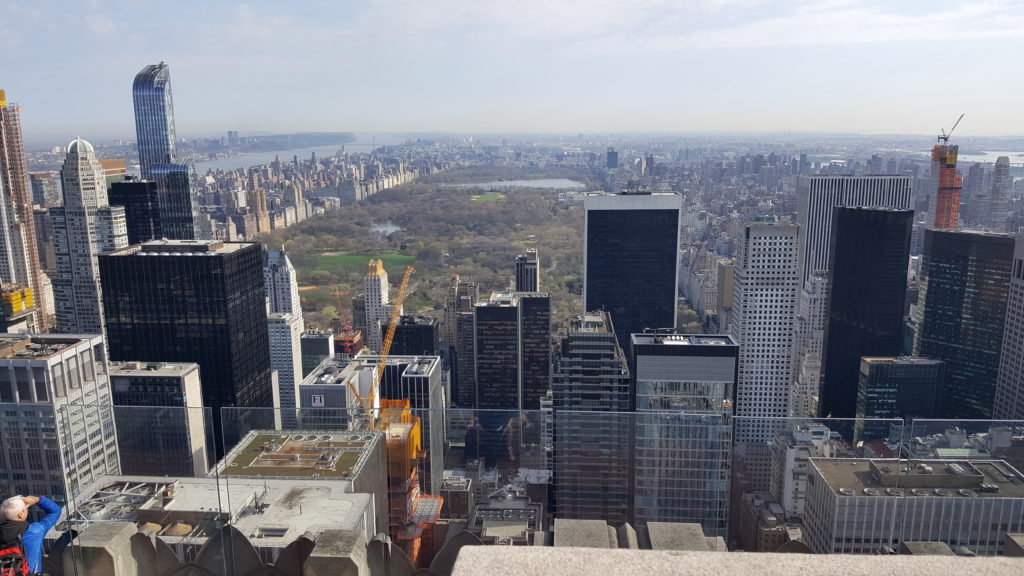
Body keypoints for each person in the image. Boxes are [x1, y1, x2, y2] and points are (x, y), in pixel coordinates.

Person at [0, 495, 62, 575]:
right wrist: (37, 500)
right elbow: (56, 511)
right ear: (21, 514)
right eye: (26, 508)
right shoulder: (34, 531)